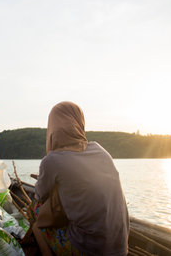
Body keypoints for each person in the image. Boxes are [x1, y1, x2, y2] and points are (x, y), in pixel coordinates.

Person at [33, 101, 129, 256]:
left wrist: (45, 181)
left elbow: (39, 195)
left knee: (36, 213)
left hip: (89, 250)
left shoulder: (52, 160)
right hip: (120, 248)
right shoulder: (100, 150)